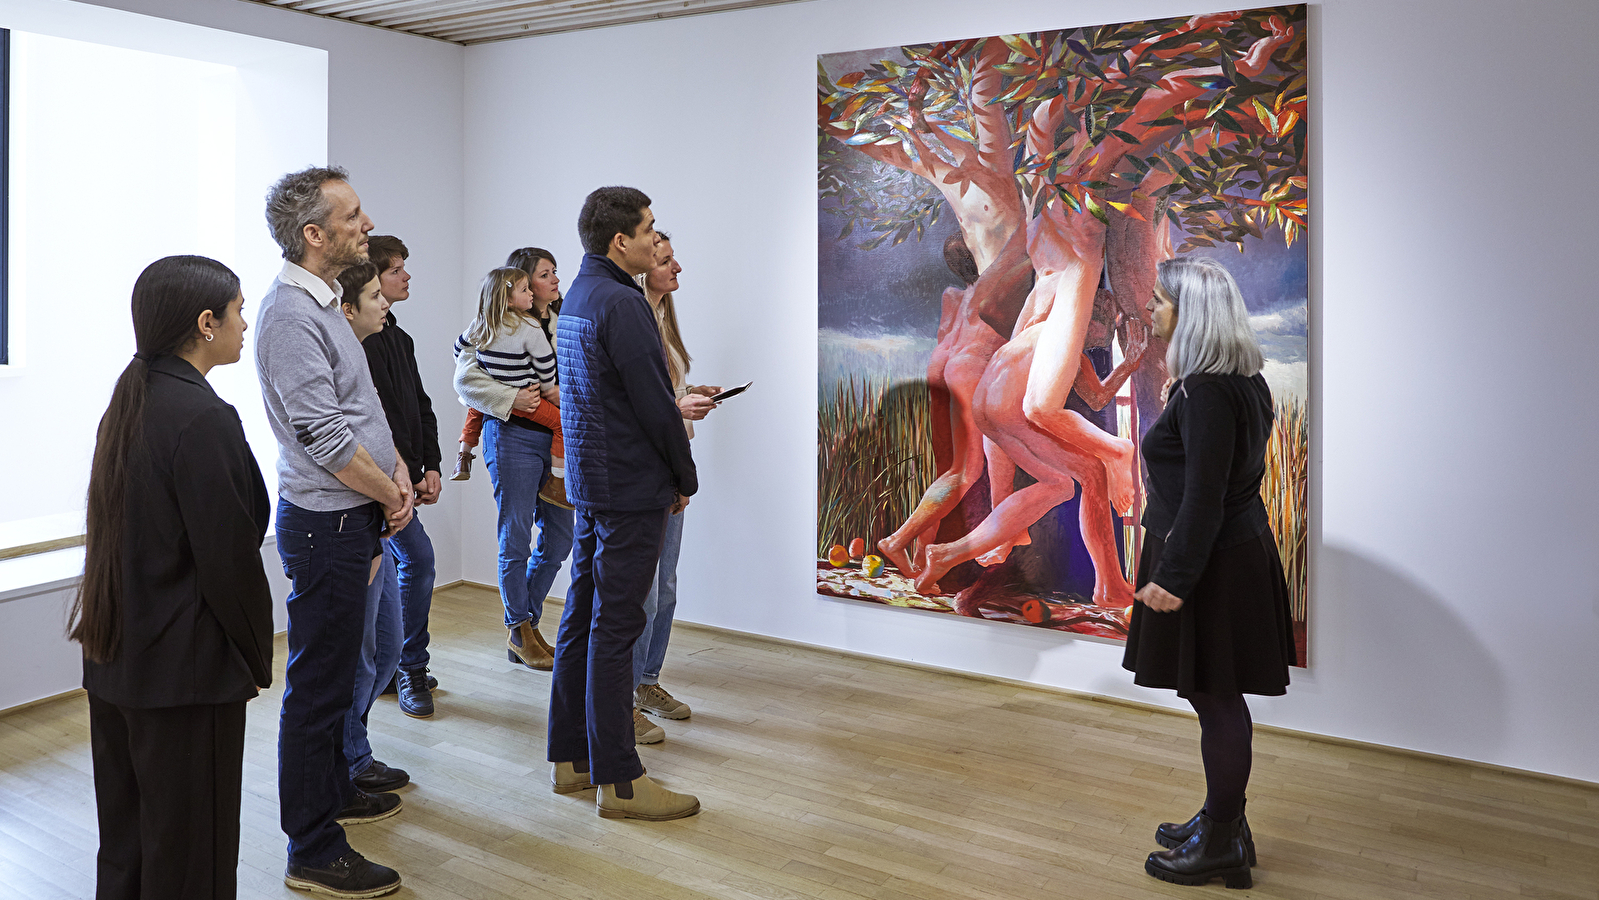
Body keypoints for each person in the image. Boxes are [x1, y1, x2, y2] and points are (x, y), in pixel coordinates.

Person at [72, 256, 271, 900]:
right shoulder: (202, 417)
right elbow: (230, 562)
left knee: (128, 849)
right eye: (239, 310)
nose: (246, 324)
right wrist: (255, 654)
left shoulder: (131, 401)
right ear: (206, 323)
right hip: (186, 681)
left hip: (120, 665)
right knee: (192, 861)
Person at [256, 165, 407, 898]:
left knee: (339, 675)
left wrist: (396, 477)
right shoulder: (290, 315)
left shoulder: (322, 304)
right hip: (327, 526)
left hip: (353, 516)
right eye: (350, 216)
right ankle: (312, 849)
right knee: (317, 689)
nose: (365, 222)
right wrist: (389, 494)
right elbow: (319, 432)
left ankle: (333, 792)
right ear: (314, 236)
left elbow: (358, 408)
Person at [1123, 256, 1294, 890]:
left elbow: (1203, 497)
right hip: (1230, 556)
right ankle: (1224, 821)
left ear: (1192, 314)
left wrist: (1173, 577)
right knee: (1213, 696)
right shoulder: (1244, 382)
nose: (1154, 312)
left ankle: (1222, 839)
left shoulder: (1205, 393)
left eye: (1162, 303)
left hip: (1211, 565)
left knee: (1217, 699)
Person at [548, 186, 699, 820]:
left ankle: (572, 757)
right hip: (631, 488)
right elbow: (655, 409)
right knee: (615, 630)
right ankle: (623, 781)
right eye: (649, 229)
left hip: (592, 484)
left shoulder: (579, 295)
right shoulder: (624, 303)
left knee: (582, 622)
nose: (653, 239)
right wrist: (684, 479)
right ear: (621, 241)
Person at [453, 266, 573, 670]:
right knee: (516, 536)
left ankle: (524, 627)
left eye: (555, 271)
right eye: (543, 273)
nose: (555, 279)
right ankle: (521, 628)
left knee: (559, 539)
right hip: (510, 437)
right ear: (519, 289)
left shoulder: (560, 320)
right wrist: (511, 396)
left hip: (556, 441)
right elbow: (464, 378)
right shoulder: (491, 323)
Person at [630, 233, 719, 744]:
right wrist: (676, 408)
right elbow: (637, 409)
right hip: (652, 472)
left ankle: (646, 683)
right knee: (642, 594)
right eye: (666, 260)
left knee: (664, 588)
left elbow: (660, 396)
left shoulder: (663, 321)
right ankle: (625, 697)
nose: (677, 267)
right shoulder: (632, 321)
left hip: (672, 465)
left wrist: (690, 393)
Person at [334, 261, 412, 800]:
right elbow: (336, 444)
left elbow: (379, 432)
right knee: (359, 656)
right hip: (355, 520)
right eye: (372, 294)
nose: (384, 299)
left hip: (378, 518)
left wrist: (402, 472)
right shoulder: (335, 359)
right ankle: (347, 762)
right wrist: (390, 496)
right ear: (346, 309)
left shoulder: (370, 351)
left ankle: (355, 751)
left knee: (384, 650)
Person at [362, 235, 443, 718]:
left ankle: (397, 664)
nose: (406, 276)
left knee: (400, 571)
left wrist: (429, 465)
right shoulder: (358, 343)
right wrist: (399, 479)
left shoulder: (400, 337)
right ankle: (409, 667)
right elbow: (372, 423)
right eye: (396, 269)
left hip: (405, 479)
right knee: (419, 559)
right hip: (376, 482)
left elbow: (420, 407)